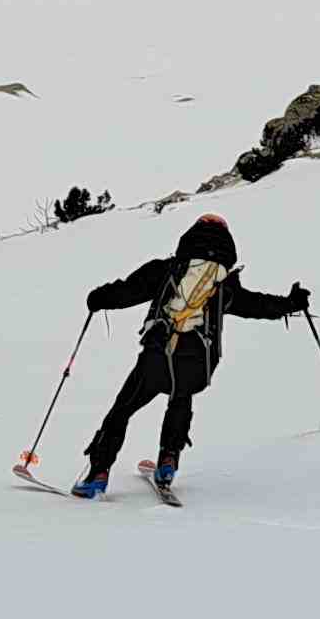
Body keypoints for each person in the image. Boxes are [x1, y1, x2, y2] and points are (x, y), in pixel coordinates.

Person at [74, 213, 305, 497]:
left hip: (157, 359)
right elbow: (257, 305)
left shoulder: (167, 270)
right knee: (181, 398)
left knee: (123, 408)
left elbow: (127, 292)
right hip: (199, 364)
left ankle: (98, 473)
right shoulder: (225, 285)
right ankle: (168, 461)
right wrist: (291, 303)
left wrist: (98, 298)